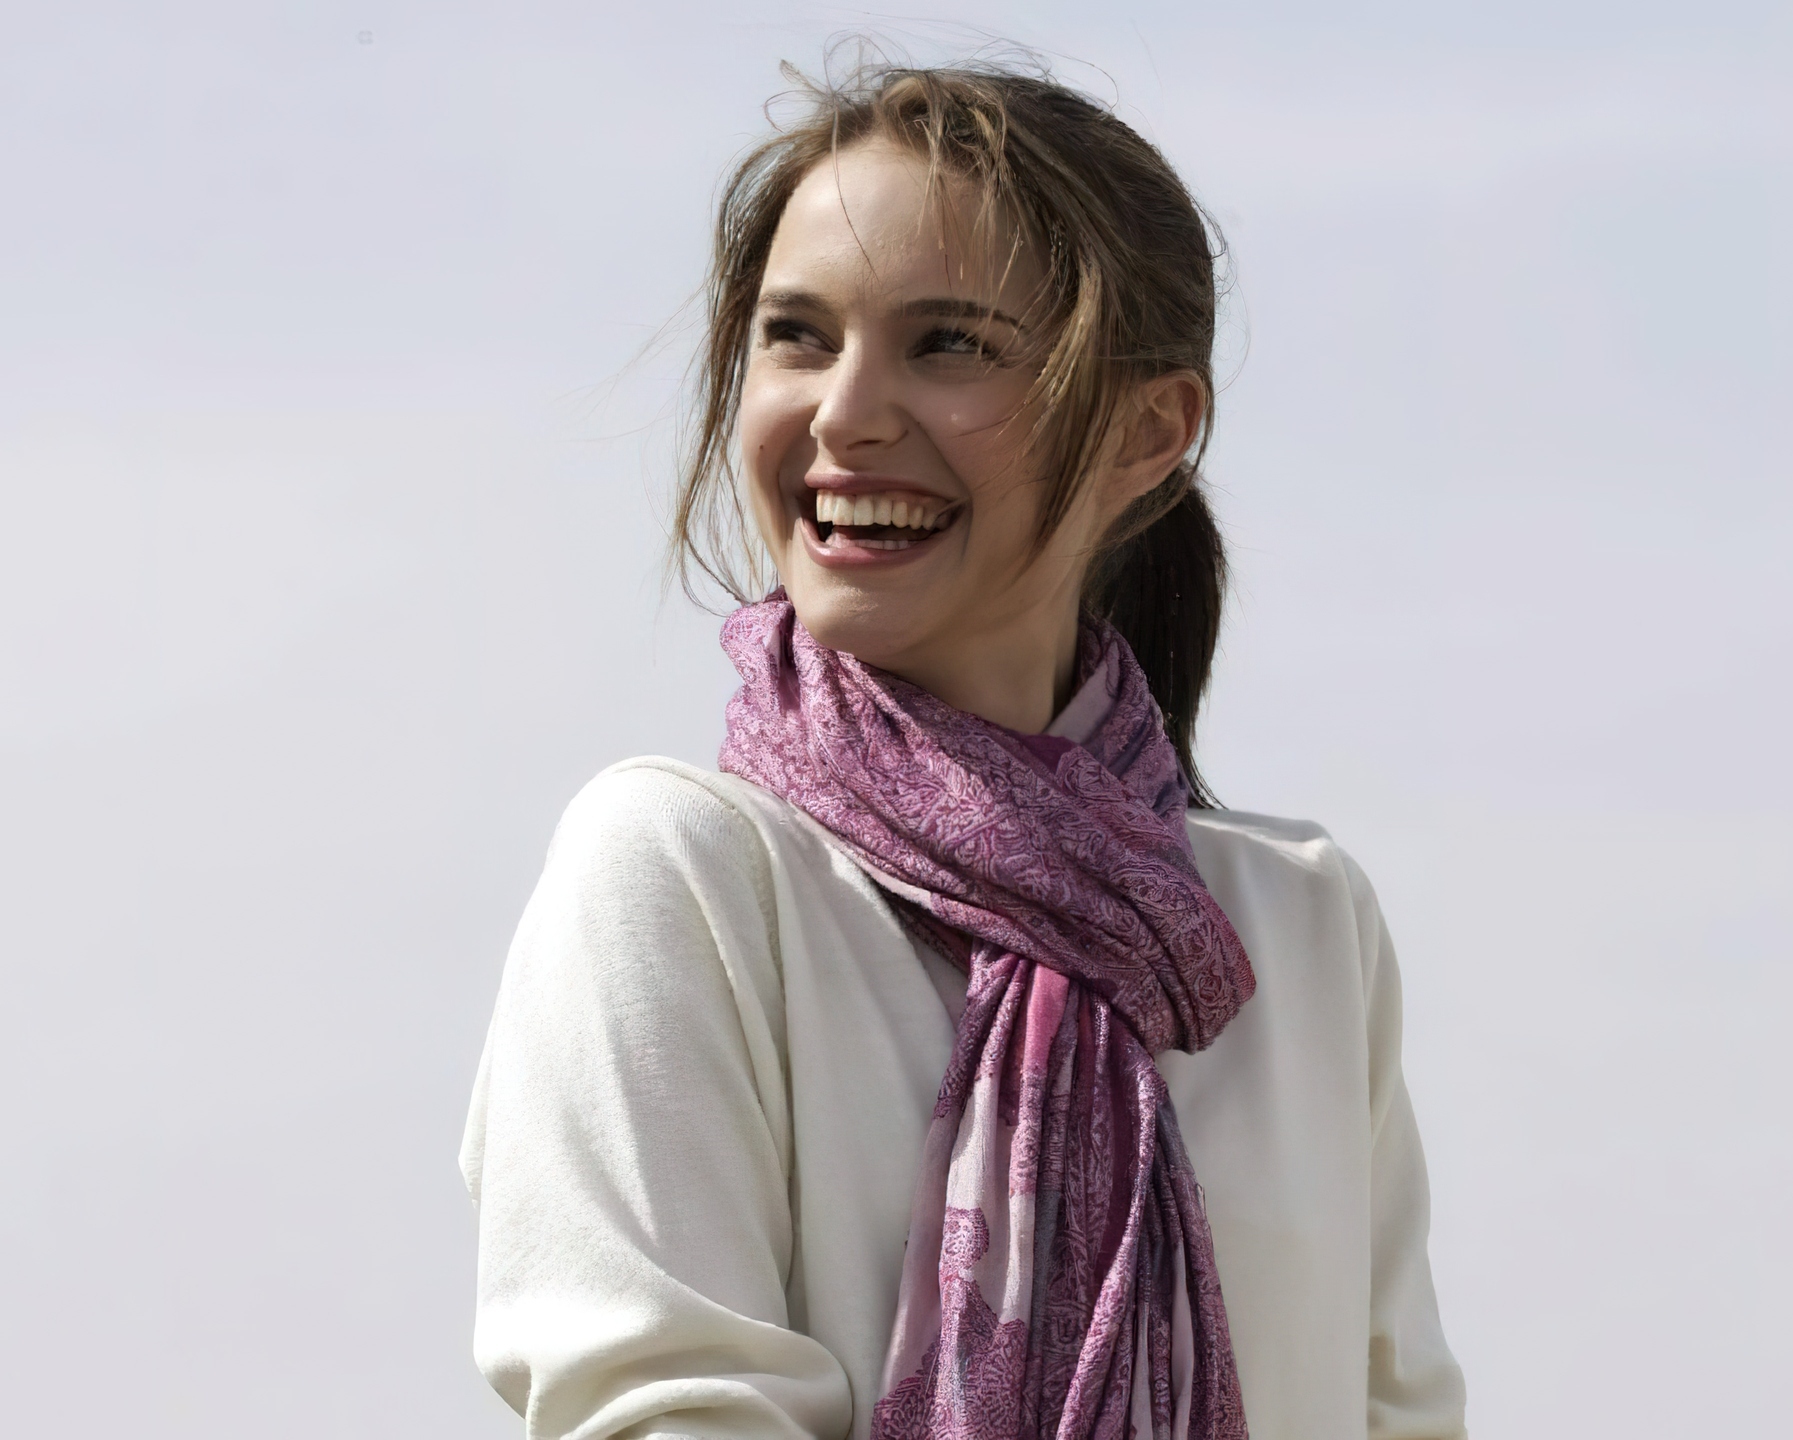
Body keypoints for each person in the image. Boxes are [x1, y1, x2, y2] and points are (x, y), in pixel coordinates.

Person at [461, 59, 1468, 1440]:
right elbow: (664, 1406)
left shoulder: (1299, 926)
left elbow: (1397, 1414)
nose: (846, 414)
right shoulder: (681, 876)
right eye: (798, 337)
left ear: (1149, 431)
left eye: (949, 345)